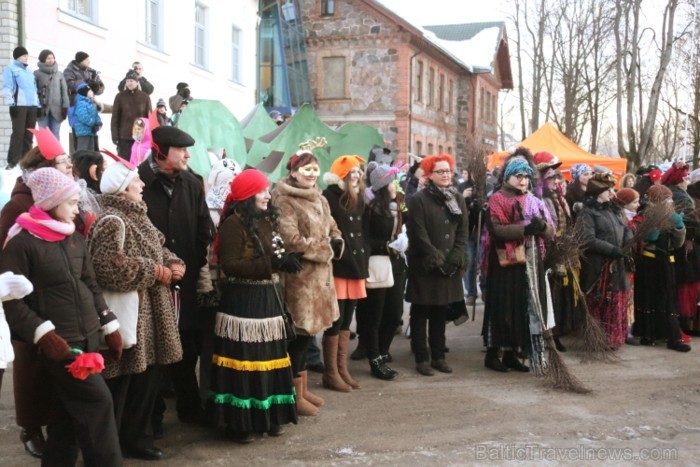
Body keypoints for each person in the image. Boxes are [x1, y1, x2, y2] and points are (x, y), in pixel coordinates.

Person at [0, 167, 123, 466]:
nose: (77, 210)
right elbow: (12, 302)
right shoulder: (21, 244)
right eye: (71, 203)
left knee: (64, 416)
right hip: (62, 346)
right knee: (98, 402)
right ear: (52, 202)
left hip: (88, 337)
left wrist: (108, 322)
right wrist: (44, 334)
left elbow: (89, 284)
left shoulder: (74, 239)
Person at [87, 159, 184, 460]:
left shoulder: (137, 216)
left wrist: (172, 261)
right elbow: (107, 269)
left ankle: (134, 438)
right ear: (122, 189)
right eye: (136, 183)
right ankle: (116, 444)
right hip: (133, 316)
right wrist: (155, 271)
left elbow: (155, 247)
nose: (143, 186)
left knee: (145, 381)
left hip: (149, 314)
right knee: (125, 382)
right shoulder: (112, 220)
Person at [208, 169, 299, 443]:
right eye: (262, 191)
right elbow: (231, 265)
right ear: (248, 195)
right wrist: (274, 264)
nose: (267, 195)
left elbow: (275, 254)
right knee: (246, 361)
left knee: (270, 358)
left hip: (268, 301)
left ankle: (270, 417)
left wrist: (286, 258)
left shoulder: (267, 221)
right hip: (243, 303)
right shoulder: (233, 224)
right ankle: (242, 423)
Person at [0, 127, 73, 457]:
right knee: (29, 367)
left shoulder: (62, 197)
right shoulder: (18, 205)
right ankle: (30, 427)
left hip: (57, 296)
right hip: (26, 299)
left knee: (53, 367)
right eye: (63, 161)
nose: (69, 166)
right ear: (44, 167)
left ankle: (54, 424)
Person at [138, 126, 215, 425]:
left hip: (186, 282)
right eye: (181, 150)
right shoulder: (139, 181)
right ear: (160, 151)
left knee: (187, 346)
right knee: (152, 351)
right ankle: (152, 415)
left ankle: (189, 406)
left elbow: (203, 227)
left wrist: (192, 265)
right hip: (151, 283)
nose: (187, 154)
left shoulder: (191, 183)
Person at [271, 149, 343, 416]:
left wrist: (336, 239)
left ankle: (301, 389)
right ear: (293, 172)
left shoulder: (320, 198)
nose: (312, 174)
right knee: (298, 338)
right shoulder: (284, 200)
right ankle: (291, 394)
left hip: (321, 280)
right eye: (306, 169)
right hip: (300, 279)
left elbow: (333, 227)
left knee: (310, 334)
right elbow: (291, 239)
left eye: (315, 169)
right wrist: (326, 249)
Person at [482, 151, 554, 373]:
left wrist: (542, 227)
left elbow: (550, 230)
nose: (523, 180)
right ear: (508, 177)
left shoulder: (534, 200)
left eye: (526, 176)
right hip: (506, 262)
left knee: (524, 308)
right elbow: (497, 229)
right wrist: (525, 229)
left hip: (531, 262)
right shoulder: (497, 199)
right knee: (504, 307)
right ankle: (494, 354)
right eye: (518, 176)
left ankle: (513, 353)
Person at [406, 154, 468, 376]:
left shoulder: (456, 198)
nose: (445, 175)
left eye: (448, 171)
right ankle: (422, 357)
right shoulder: (419, 199)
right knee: (421, 311)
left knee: (441, 312)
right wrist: (434, 257)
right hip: (424, 265)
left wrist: (456, 257)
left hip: (449, 265)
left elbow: (462, 231)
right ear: (429, 175)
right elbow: (418, 233)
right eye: (440, 171)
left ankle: (439, 356)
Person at [321, 155, 367, 391]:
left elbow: (363, 230)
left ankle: (342, 368)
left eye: (359, 172)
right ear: (342, 175)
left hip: (356, 264)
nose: (357, 176)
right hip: (340, 265)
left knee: (348, 319)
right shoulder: (329, 196)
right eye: (352, 172)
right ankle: (331, 372)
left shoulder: (359, 198)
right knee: (335, 320)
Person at [359, 164, 406, 379]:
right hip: (377, 264)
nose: (396, 185)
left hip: (396, 263)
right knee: (374, 315)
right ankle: (374, 358)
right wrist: (385, 246)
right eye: (392, 181)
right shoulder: (370, 208)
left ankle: (383, 350)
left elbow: (404, 229)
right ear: (383, 185)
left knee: (395, 313)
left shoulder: (400, 205)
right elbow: (365, 238)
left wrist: (403, 240)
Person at [577, 172, 632, 350]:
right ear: (598, 192)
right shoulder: (587, 212)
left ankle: (614, 338)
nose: (611, 192)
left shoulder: (614, 210)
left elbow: (626, 228)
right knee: (601, 300)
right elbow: (588, 239)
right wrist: (612, 250)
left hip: (617, 265)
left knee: (616, 298)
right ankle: (599, 338)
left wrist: (627, 243)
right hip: (598, 266)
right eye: (608, 189)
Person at [632, 184, 690, 352]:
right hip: (650, 262)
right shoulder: (645, 214)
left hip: (667, 261)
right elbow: (642, 239)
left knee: (668, 299)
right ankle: (649, 334)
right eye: (666, 198)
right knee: (650, 297)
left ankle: (672, 337)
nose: (670, 201)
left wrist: (679, 228)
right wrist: (653, 231)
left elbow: (678, 244)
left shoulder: (671, 216)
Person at [660, 162, 700, 344]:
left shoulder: (676, 193)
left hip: (683, 246)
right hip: (685, 248)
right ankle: (685, 323)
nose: (687, 180)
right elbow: (690, 225)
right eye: (685, 177)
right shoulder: (680, 197)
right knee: (686, 285)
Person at [2, 46, 40, 169]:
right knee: (18, 133)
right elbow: (7, 87)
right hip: (19, 105)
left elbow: (34, 90)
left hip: (31, 106)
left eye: (27, 56)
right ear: (17, 57)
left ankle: (26, 161)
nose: (26, 58)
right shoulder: (11, 69)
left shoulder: (29, 72)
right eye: (24, 56)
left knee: (29, 134)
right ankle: (12, 162)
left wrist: (38, 105)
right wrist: (11, 103)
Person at [112, 70, 152, 160]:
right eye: (127, 81)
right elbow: (115, 117)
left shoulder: (145, 97)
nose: (129, 83)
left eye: (132, 81)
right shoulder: (120, 96)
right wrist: (115, 135)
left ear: (137, 82)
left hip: (140, 136)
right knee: (124, 161)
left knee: (138, 161)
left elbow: (149, 117)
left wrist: (150, 135)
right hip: (124, 136)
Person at [33, 49, 70, 140]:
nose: (51, 60)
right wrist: (35, 107)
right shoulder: (36, 74)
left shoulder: (59, 74)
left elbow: (64, 92)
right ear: (42, 60)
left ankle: (56, 154)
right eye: (48, 58)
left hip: (57, 110)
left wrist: (65, 107)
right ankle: (43, 154)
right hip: (42, 110)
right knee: (44, 136)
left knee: (55, 135)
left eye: (52, 58)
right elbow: (33, 92)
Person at [72, 83, 102, 151]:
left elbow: (95, 115)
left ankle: (90, 161)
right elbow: (83, 117)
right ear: (85, 93)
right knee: (83, 150)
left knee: (91, 151)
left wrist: (98, 123)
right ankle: (81, 161)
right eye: (90, 91)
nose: (92, 92)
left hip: (91, 131)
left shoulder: (91, 103)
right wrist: (92, 123)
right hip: (83, 131)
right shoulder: (81, 103)